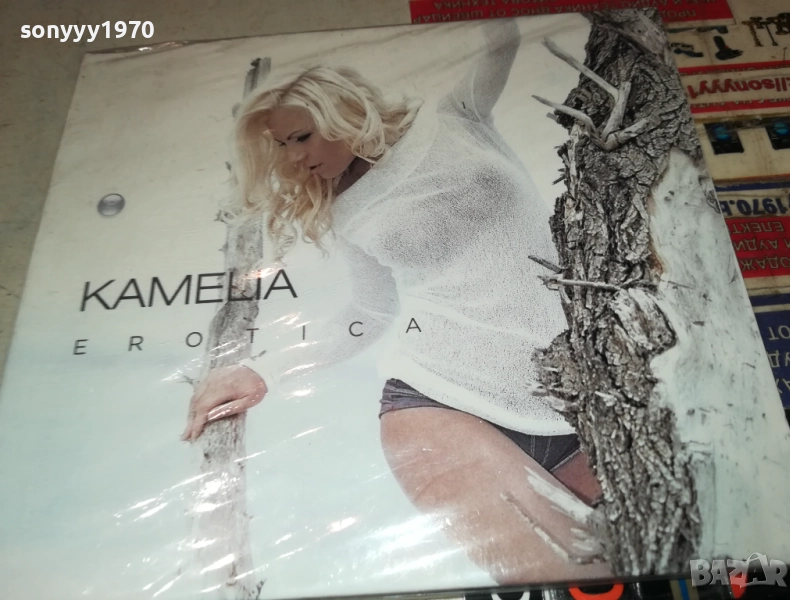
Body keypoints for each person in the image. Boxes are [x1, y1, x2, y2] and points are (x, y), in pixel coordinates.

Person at [182, 18, 610, 584]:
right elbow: (369, 313)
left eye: (302, 136)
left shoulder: (454, 116)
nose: (294, 158)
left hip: (587, 393)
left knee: (641, 564)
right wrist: (264, 370)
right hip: (442, 403)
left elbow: (504, 41)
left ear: (341, 110)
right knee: (580, 582)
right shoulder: (343, 210)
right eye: (282, 147)